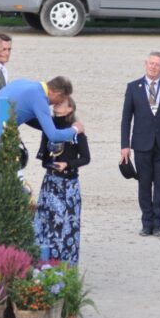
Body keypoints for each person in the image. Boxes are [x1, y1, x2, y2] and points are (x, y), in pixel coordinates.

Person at [0, 77, 85, 208]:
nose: (54, 105)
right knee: (14, 171)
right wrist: (74, 130)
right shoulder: (40, 99)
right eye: (60, 100)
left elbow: (22, 115)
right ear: (57, 94)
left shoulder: (23, 83)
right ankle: (18, 215)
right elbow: (53, 135)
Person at [120, 52, 160, 237]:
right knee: (144, 184)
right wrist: (125, 145)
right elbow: (126, 118)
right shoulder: (133, 87)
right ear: (145, 64)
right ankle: (146, 222)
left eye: (157, 64)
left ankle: (158, 224)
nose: (153, 67)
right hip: (141, 143)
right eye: (151, 63)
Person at [34, 96, 91, 264]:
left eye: (61, 103)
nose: (57, 104)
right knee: (45, 224)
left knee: (66, 227)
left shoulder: (76, 130)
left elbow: (86, 158)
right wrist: (50, 165)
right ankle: (43, 264)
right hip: (50, 184)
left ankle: (65, 267)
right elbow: (43, 158)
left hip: (69, 186)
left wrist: (67, 164)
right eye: (56, 102)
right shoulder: (48, 127)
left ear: (70, 109)